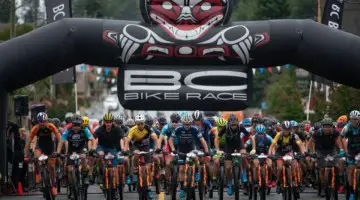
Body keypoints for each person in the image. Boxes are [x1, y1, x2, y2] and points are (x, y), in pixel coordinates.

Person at [169, 113, 209, 199]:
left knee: (196, 157)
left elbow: (202, 141)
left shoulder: (195, 129)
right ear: (182, 123)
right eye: (185, 124)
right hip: (181, 150)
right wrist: (173, 149)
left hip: (192, 148)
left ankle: (197, 172)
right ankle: (182, 188)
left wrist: (206, 151)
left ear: (191, 123)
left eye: (189, 124)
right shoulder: (178, 129)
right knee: (182, 169)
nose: (187, 126)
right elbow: (171, 140)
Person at [217, 113, 256, 196]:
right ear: (229, 123)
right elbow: (217, 138)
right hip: (229, 146)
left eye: (235, 124)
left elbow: (251, 137)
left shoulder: (240, 127)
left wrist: (253, 149)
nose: (234, 126)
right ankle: (230, 184)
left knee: (244, 155)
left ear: (237, 123)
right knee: (227, 168)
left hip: (239, 144)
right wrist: (217, 150)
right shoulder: (225, 127)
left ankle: (244, 173)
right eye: (232, 124)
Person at [24, 112, 62, 196]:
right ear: (38, 121)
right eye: (40, 122)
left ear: (46, 121)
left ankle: (53, 185)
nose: (42, 124)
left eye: (44, 121)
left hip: (50, 146)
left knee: (52, 166)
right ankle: (38, 173)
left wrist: (58, 152)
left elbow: (60, 140)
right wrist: (26, 155)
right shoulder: (35, 128)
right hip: (40, 146)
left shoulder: (51, 126)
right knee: (36, 157)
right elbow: (28, 142)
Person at [125, 114, 160, 199]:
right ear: (136, 123)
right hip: (136, 146)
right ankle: (136, 171)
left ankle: (148, 187)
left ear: (144, 123)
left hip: (145, 146)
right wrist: (126, 149)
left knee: (148, 168)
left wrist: (157, 148)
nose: (140, 125)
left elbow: (155, 138)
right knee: (136, 154)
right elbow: (127, 141)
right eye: (138, 124)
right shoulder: (133, 130)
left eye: (142, 123)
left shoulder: (148, 128)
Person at [307, 117, 345, 196]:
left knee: (337, 165)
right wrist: (312, 152)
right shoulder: (317, 133)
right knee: (321, 169)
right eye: (325, 126)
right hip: (320, 151)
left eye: (329, 126)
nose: (327, 128)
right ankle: (324, 186)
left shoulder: (335, 132)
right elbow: (310, 143)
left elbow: (338, 141)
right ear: (322, 126)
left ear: (332, 126)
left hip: (331, 150)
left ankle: (338, 180)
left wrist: (341, 150)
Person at [57, 115, 96, 186]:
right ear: (72, 124)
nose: (76, 127)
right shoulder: (68, 130)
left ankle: (85, 176)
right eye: (74, 125)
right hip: (71, 149)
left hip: (82, 148)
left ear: (81, 124)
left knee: (84, 158)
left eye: (78, 125)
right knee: (69, 168)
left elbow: (92, 139)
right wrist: (58, 152)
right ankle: (71, 185)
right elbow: (61, 141)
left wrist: (93, 149)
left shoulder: (85, 129)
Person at [269, 120, 305, 194]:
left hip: (289, 152)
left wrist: (303, 153)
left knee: (294, 165)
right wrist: (270, 154)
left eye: (288, 129)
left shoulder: (294, 135)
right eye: (285, 129)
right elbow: (272, 145)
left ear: (291, 129)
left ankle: (295, 180)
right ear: (282, 129)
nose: (286, 131)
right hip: (280, 153)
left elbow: (300, 145)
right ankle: (278, 183)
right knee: (279, 168)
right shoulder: (278, 135)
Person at [93, 113, 127, 184]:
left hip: (112, 148)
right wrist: (93, 148)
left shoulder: (117, 128)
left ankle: (115, 183)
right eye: (106, 122)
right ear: (104, 122)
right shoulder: (100, 129)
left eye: (109, 122)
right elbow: (93, 138)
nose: (108, 124)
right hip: (101, 147)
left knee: (114, 167)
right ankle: (100, 174)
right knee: (100, 155)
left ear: (112, 122)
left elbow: (124, 138)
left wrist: (126, 149)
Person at [341, 110, 360, 200]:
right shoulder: (347, 127)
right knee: (350, 170)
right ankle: (351, 192)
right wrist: (344, 150)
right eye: (353, 119)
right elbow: (342, 139)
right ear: (350, 120)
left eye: (356, 119)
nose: (354, 121)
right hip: (351, 150)